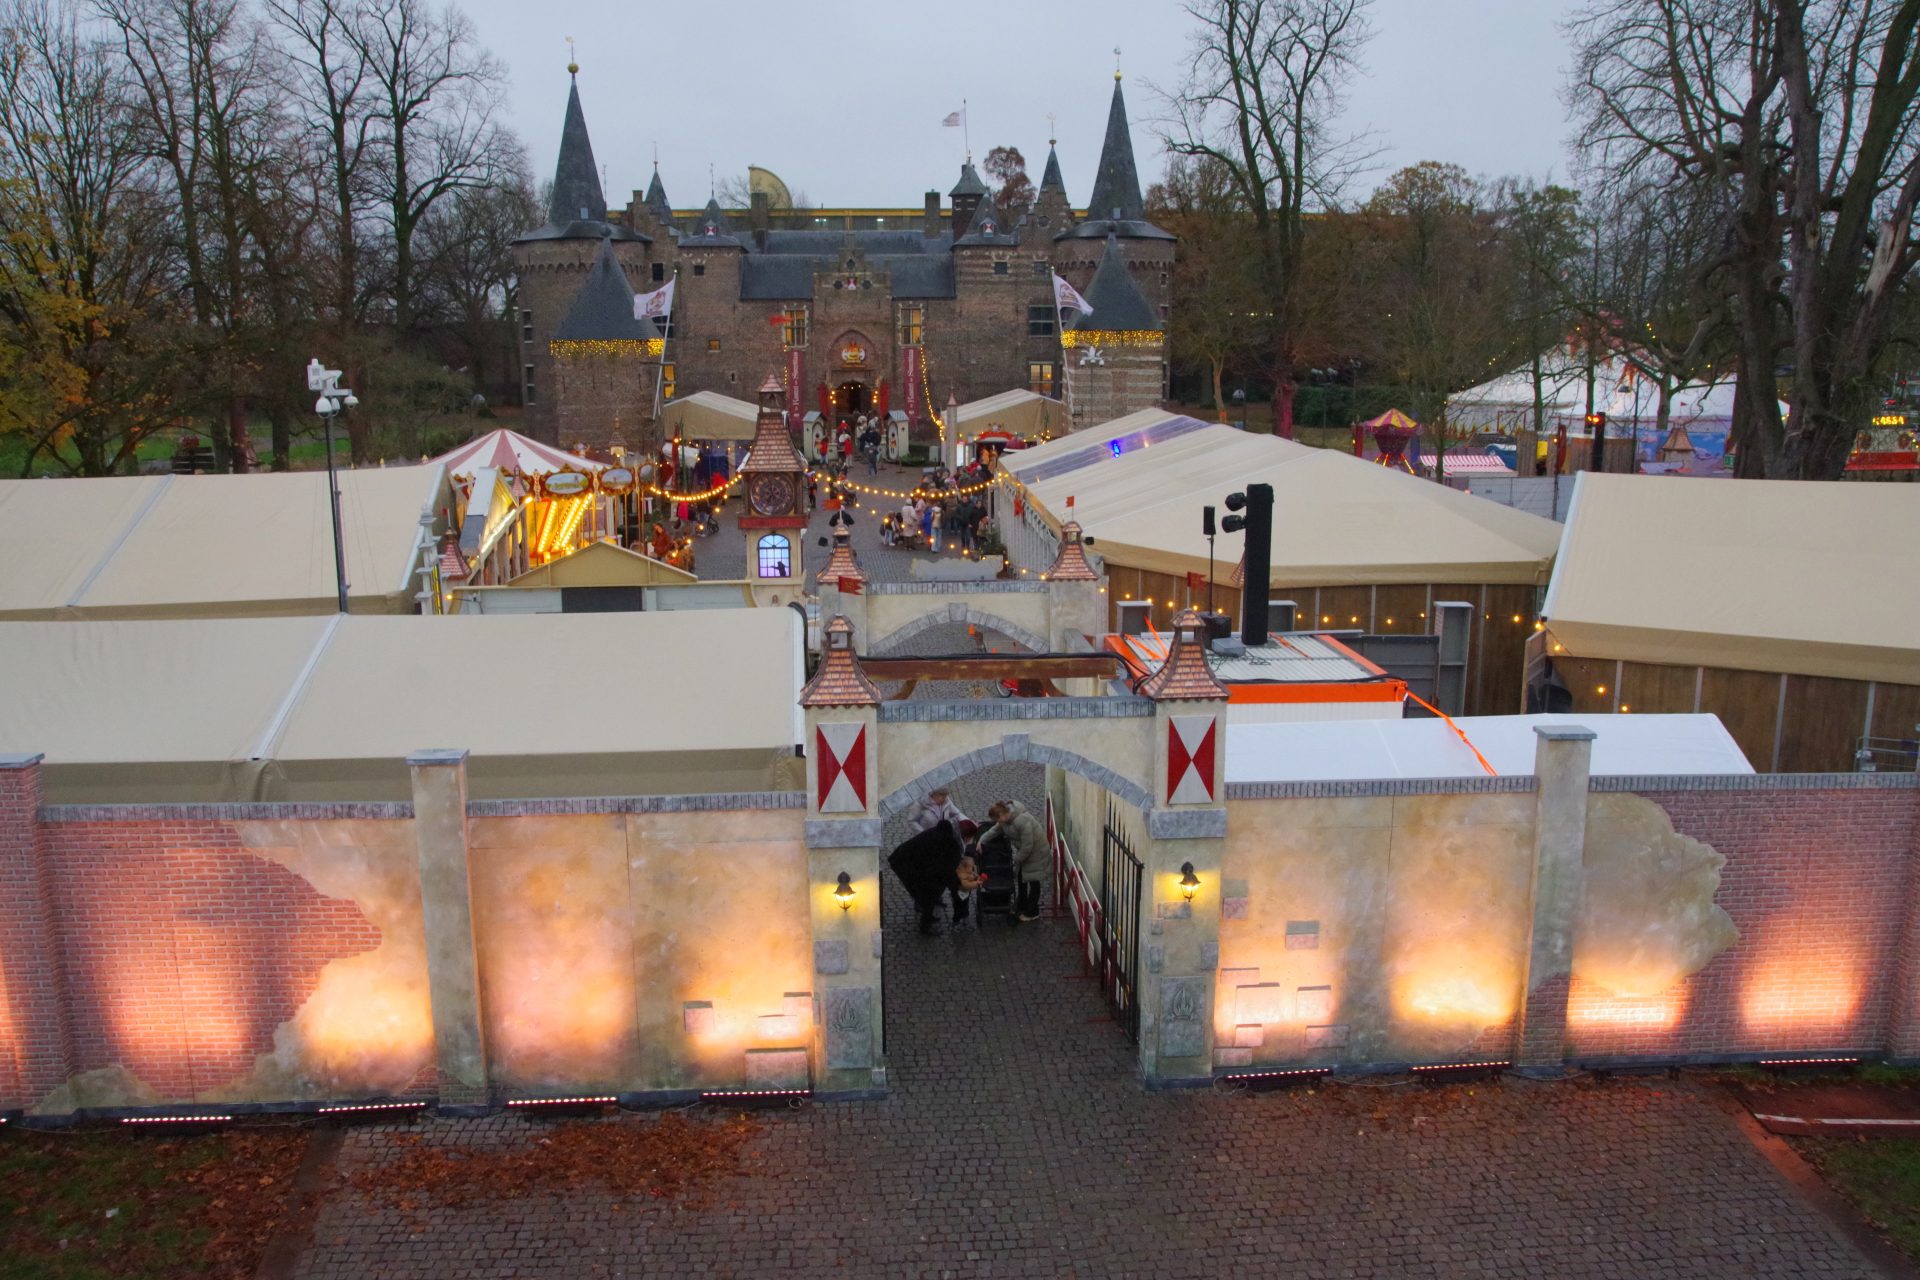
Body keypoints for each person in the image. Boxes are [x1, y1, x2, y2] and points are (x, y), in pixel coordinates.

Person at [887, 818, 965, 935]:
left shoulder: (938, 834)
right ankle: (925, 927)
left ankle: (927, 914)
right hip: (906, 863)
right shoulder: (945, 841)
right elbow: (946, 867)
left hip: (910, 860)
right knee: (928, 894)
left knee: (930, 891)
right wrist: (954, 883)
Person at [982, 799, 1049, 922]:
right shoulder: (1004, 821)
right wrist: (981, 841)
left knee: (1033, 881)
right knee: (1021, 877)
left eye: (997, 819)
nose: (997, 822)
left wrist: (1016, 860)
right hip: (1024, 852)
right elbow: (995, 830)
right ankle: (1022, 904)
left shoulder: (1022, 821)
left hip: (1037, 852)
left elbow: (1028, 846)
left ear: (1002, 815)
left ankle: (1032, 912)